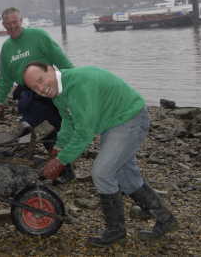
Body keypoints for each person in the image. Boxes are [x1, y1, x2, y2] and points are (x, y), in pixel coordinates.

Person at [23, 62, 178, 247]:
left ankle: (116, 231)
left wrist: (61, 161)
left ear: (51, 69)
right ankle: (165, 219)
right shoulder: (57, 90)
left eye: (41, 80)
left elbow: (84, 133)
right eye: (34, 87)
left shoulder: (78, 85)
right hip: (111, 123)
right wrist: (58, 147)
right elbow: (68, 120)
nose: (40, 88)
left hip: (130, 118)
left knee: (102, 173)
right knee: (124, 175)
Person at [0, 7, 75, 182]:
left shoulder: (38, 36)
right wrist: (0, 99)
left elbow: (60, 58)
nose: (12, 26)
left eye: (14, 22)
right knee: (31, 129)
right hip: (26, 94)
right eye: (8, 24)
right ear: (3, 25)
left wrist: (74, 80)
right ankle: (30, 167)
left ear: (21, 20)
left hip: (48, 90)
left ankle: (65, 170)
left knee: (53, 130)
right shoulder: (7, 48)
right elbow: (5, 76)